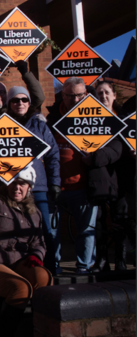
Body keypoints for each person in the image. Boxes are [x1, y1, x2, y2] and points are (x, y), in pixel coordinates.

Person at [0, 164, 52, 337]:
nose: (17, 188)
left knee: (44, 277)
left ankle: (40, 329)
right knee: (21, 288)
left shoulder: (35, 213)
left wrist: (36, 255)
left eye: (22, 184)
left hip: (19, 260)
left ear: (29, 187)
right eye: (13, 183)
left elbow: (39, 242)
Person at [46, 77, 99, 274]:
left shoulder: (96, 117)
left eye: (79, 95)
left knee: (86, 231)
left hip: (84, 186)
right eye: (70, 95)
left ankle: (84, 267)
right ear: (62, 95)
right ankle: (55, 267)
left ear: (85, 95)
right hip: (56, 187)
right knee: (52, 232)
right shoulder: (51, 118)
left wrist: (95, 158)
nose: (75, 100)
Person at [7, 86, 61, 261]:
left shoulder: (39, 124)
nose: (20, 103)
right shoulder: (2, 124)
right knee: (15, 229)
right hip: (11, 188)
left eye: (24, 99)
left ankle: (51, 267)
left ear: (29, 103)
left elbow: (53, 154)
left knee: (45, 230)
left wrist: (55, 182)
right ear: (9, 103)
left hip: (38, 187)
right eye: (15, 100)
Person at [88, 81, 131, 272]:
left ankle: (120, 259)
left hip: (123, 177)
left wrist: (96, 156)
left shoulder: (127, 122)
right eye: (99, 93)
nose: (103, 96)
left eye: (106, 92)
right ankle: (102, 259)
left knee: (120, 218)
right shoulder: (89, 121)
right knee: (99, 221)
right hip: (99, 178)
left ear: (114, 95)